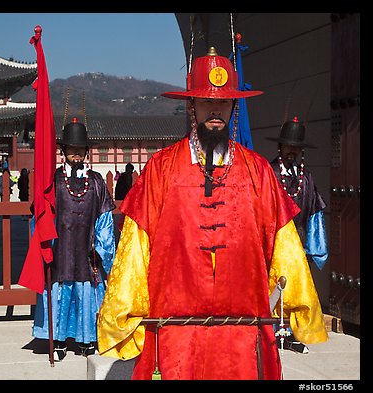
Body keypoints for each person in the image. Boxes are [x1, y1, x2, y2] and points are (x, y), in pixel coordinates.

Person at [96, 47, 328, 380]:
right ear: (191, 106)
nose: (214, 110)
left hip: (243, 339)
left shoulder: (259, 172)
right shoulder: (161, 170)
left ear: (234, 105)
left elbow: (286, 247)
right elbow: (133, 252)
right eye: (206, 102)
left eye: (222, 102)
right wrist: (123, 318)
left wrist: (301, 310)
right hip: (174, 339)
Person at [31, 119, 116, 361]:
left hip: (88, 252)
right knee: (60, 293)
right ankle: (57, 339)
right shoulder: (53, 181)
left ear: (86, 152)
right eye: (72, 149)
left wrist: (105, 252)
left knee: (87, 294)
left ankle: (86, 339)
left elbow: (105, 221)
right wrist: (44, 247)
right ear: (64, 152)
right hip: (61, 251)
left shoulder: (97, 182)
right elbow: (40, 218)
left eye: (80, 150)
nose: (76, 154)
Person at [267, 116, 328, 354]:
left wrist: (315, 247)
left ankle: (292, 336)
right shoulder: (269, 173)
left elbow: (315, 210)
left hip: (299, 244)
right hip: (274, 244)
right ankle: (270, 333)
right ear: (280, 147)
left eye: (296, 147)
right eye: (288, 146)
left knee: (296, 290)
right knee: (274, 289)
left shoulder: (306, 177)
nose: (291, 151)